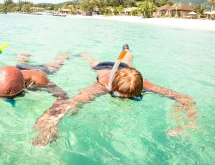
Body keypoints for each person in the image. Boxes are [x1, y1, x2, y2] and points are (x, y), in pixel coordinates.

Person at [31, 45, 196, 146]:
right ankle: (84, 54)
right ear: (111, 89)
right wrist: (50, 125)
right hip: (102, 68)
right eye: (118, 96)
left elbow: (186, 99)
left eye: (133, 98)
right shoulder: (102, 85)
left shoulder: (144, 84)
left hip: (124, 66)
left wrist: (186, 123)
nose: (125, 101)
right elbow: (69, 103)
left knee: (129, 60)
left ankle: (126, 51)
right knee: (92, 61)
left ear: (140, 91)